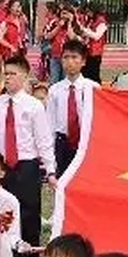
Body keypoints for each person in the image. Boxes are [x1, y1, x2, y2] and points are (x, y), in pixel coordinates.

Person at [0, 56, 54, 257]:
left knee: (29, 213)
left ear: (24, 76)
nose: (8, 78)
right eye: (6, 74)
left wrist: (50, 169)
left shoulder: (34, 106)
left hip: (26, 164)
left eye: (13, 74)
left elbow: (43, 139)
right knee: (2, 213)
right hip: (0, 167)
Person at [46, 41, 99, 177]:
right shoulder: (54, 90)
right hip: (63, 143)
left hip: (86, 141)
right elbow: (50, 123)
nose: (70, 62)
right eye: (66, 57)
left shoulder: (93, 88)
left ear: (83, 61)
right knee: (64, 181)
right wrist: (50, 157)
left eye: (74, 57)